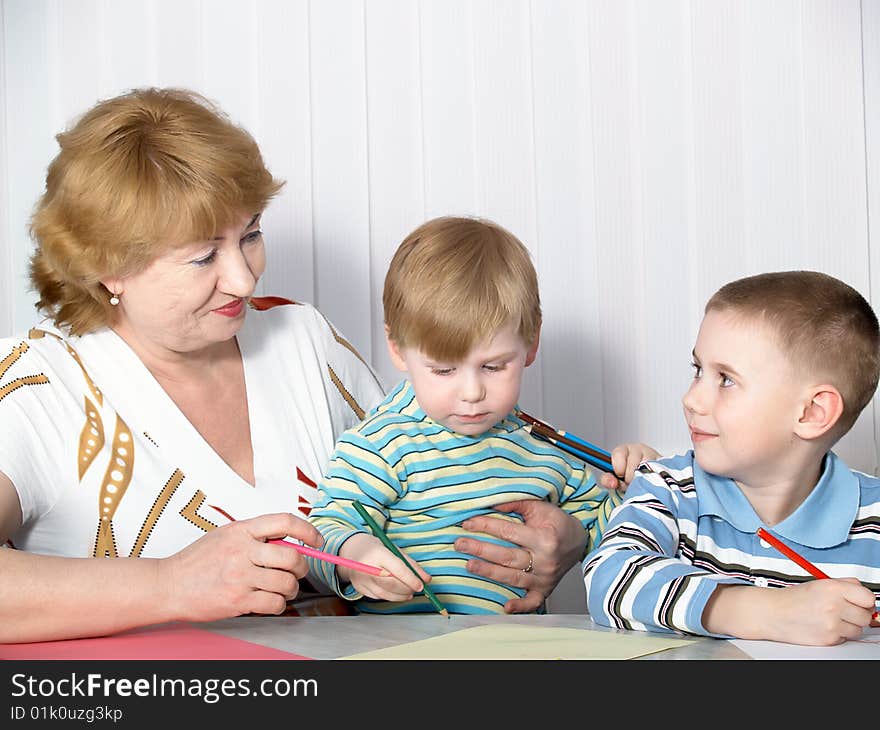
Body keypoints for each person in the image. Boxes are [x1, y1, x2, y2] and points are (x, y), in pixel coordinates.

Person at [0, 88, 609, 642]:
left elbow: (434, 480)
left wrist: (564, 539)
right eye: (202, 256)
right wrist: (169, 584)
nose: (243, 276)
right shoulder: (41, 383)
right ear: (107, 266)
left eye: (251, 235)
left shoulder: (302, 338)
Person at [306, 216, 658, 614]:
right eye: (443, 370)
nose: (472, 392)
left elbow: (605, 534)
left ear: (531, 343)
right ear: (398, 349)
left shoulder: (541, 447)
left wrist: (640, 489)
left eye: (493, 367)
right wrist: (358, 557)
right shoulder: (382, 444)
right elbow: (322, 534)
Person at [584, 270, 880, 646]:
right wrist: (764, 612)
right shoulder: (669, 489)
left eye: (725, 379)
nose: (691, 399)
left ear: (811, 413)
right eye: (698, 371)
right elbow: (608, 578)